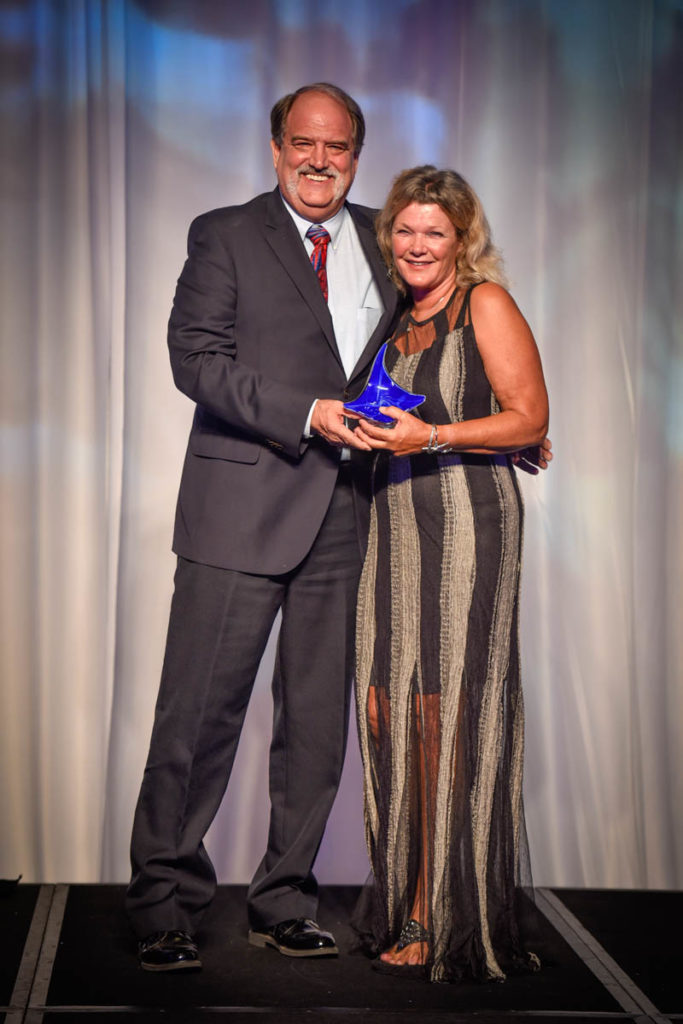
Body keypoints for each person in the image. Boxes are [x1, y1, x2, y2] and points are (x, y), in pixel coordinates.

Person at [125, 83, 400, 971]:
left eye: (338, 147)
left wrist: (505, 424)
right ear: (276, 146)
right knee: (197, 718)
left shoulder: (383, 240)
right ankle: (162, 902)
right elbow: (194, 359)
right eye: (303, 143)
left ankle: (284, 899)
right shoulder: (225, 233)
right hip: (238, 513)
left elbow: (417, 357)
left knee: (315, 725)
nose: (320, 160)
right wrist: (310, 412)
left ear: (356, 154)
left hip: (343, 517)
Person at [347, 166, 549, 983]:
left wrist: (431, 439)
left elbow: (530, 417)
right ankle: (418, 894)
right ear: (388, 236)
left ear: (462, 240)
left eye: (435, 231)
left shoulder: (483, 306)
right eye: (404, 229)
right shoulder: (392, 318)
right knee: (391, 714)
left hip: (467, 527)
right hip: (393, 530)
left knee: (444, 721)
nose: (417, 244)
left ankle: (441, 913)